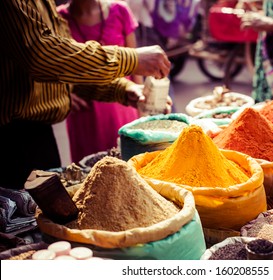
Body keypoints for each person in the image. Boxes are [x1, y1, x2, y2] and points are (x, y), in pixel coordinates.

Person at [0, 0, 171, 190]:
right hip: (11, 139)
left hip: (39, 135)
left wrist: (123, 89)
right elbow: (41, 55)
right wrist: (131, 59)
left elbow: (67, 72)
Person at [57, 0, 145, 163]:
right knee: (90, 172)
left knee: (131, 167)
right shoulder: (59, 18)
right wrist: (63, 92)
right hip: (85, 116)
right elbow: (52, 66)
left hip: (123, 104)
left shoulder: (120, 11)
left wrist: (143, 108)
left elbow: (136, 67)